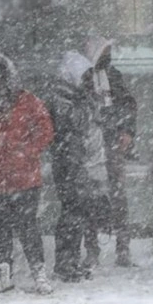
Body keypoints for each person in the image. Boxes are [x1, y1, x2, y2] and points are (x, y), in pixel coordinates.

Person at [0, 51, 55, 295]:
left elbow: (45, 130)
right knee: (0, 227)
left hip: (24, 176)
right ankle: (4, 275)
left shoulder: (26, 100)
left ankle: (39, 275)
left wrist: (27, 151)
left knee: (28, 227)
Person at [47, 51, 111, 282]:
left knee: (78, 214)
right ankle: (65, 263)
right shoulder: (62, 98)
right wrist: (90, 103)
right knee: (71, 214)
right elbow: (74, 122)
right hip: (69, 164)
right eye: (83, 76)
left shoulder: (74, 96)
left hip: (79, 163)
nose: (86, 81)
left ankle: (70, 261)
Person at [83, 36, 138, 268]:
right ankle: (92, 249)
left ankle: (123, 248)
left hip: (112, 141)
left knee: (118, 195)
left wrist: (126, 130)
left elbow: (127, 104)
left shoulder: (113, 75)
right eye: (104, 50)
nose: (108, 55)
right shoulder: (83, 76)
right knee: (90, 196)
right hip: (90, 145)